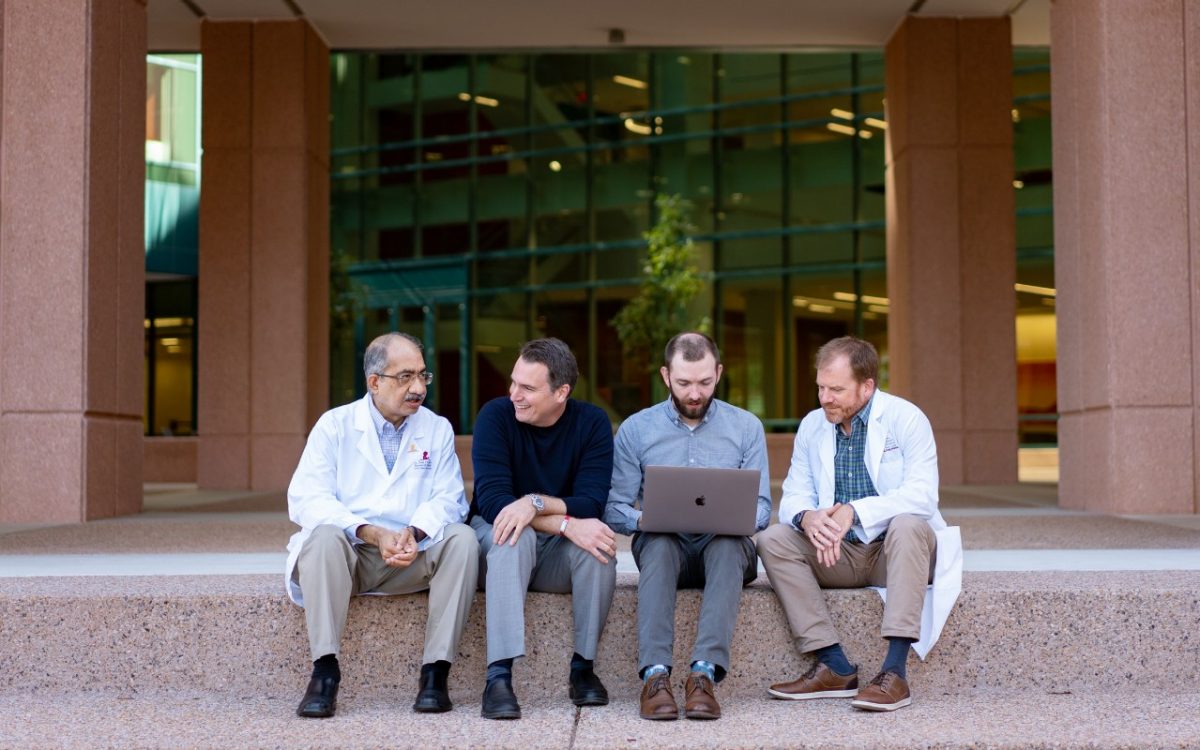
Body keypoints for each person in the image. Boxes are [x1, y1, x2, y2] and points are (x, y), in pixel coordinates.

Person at [756, 335, 961, 712]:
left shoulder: (906, 419)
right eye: (820, 387)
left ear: (867, 386)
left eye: (836, 389)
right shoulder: (812, 426)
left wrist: (855, 510)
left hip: (896, 552)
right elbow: (794, 494)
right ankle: (833, 664)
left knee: (908, 524)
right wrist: (808, 516)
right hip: (840, 553)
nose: (824, 398)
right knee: (773, 539)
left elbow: (923, 496)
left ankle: (895, 672)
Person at [285, 332, 478, 718]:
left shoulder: (436, 428)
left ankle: (435, 674)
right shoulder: (335, 425)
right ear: (374, 382)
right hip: (350, 558)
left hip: (411, 558)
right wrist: (369, 531)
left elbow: (450, 498)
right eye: (405, 377)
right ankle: (324, 673)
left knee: (463, 539)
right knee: (322, 538)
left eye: (423, 375)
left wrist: (415, 532)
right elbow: (307, 498)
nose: (418, 388)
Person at [605, 332, 771, 721]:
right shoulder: (636, 429)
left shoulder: (746, 427)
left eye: (704, 382)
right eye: (683, 383)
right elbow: (614, 509)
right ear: (666, 376)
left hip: (725, 549)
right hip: (666, 549)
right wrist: (647, 518)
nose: (694, 393)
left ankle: (704, 676)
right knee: (658, 541)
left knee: (729, 545)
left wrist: (734, 516)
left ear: (719, 373)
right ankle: (656, 677)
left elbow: (763, 508)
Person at [470, 337, 617, 720]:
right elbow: (493, 503)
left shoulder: (592, 423)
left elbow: (592, 503)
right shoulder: (495, 416)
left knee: (598, 546)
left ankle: (583, 668)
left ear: (561, 392)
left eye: (528, 388)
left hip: (551, 554)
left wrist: (533, 502)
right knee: (512, 535)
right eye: (514, 382)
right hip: (494, 545)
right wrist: (566, 523)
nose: (514, 394)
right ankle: (498, 677)